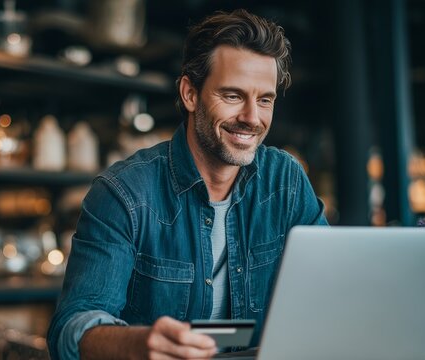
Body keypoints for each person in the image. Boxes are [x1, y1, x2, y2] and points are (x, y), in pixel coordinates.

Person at [47, 9, 328, 360]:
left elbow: (329, 290)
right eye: (233, 96)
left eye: (265, 100)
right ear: (190, 94)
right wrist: (137, 344)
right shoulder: (123, 193)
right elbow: (72, 327)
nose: (252, 118)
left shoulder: (285, 181)